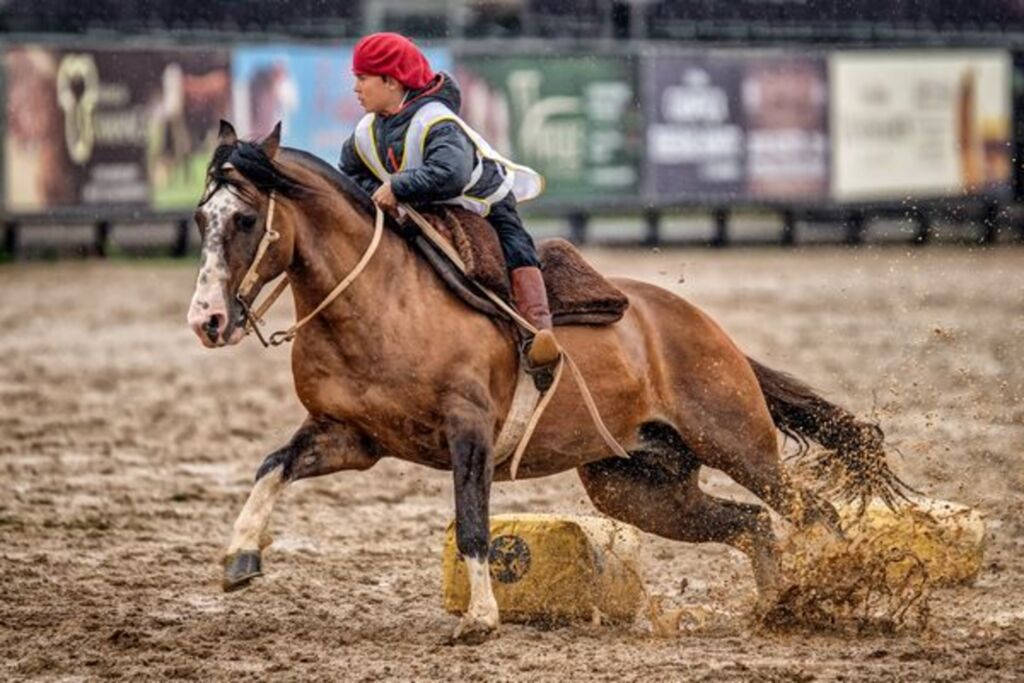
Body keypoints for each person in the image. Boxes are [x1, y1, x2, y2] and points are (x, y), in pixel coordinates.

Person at [338, 32, 559, 370]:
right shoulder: (365, 131)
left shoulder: (437, 121)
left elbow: (450, 174)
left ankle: (537, 331)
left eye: (362, 78)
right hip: (424, 205)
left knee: (516, 246)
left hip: (483, 203)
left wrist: (396, 187)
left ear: (391, 82)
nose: (356, 88)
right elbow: (348, 173)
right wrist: (378, 192)